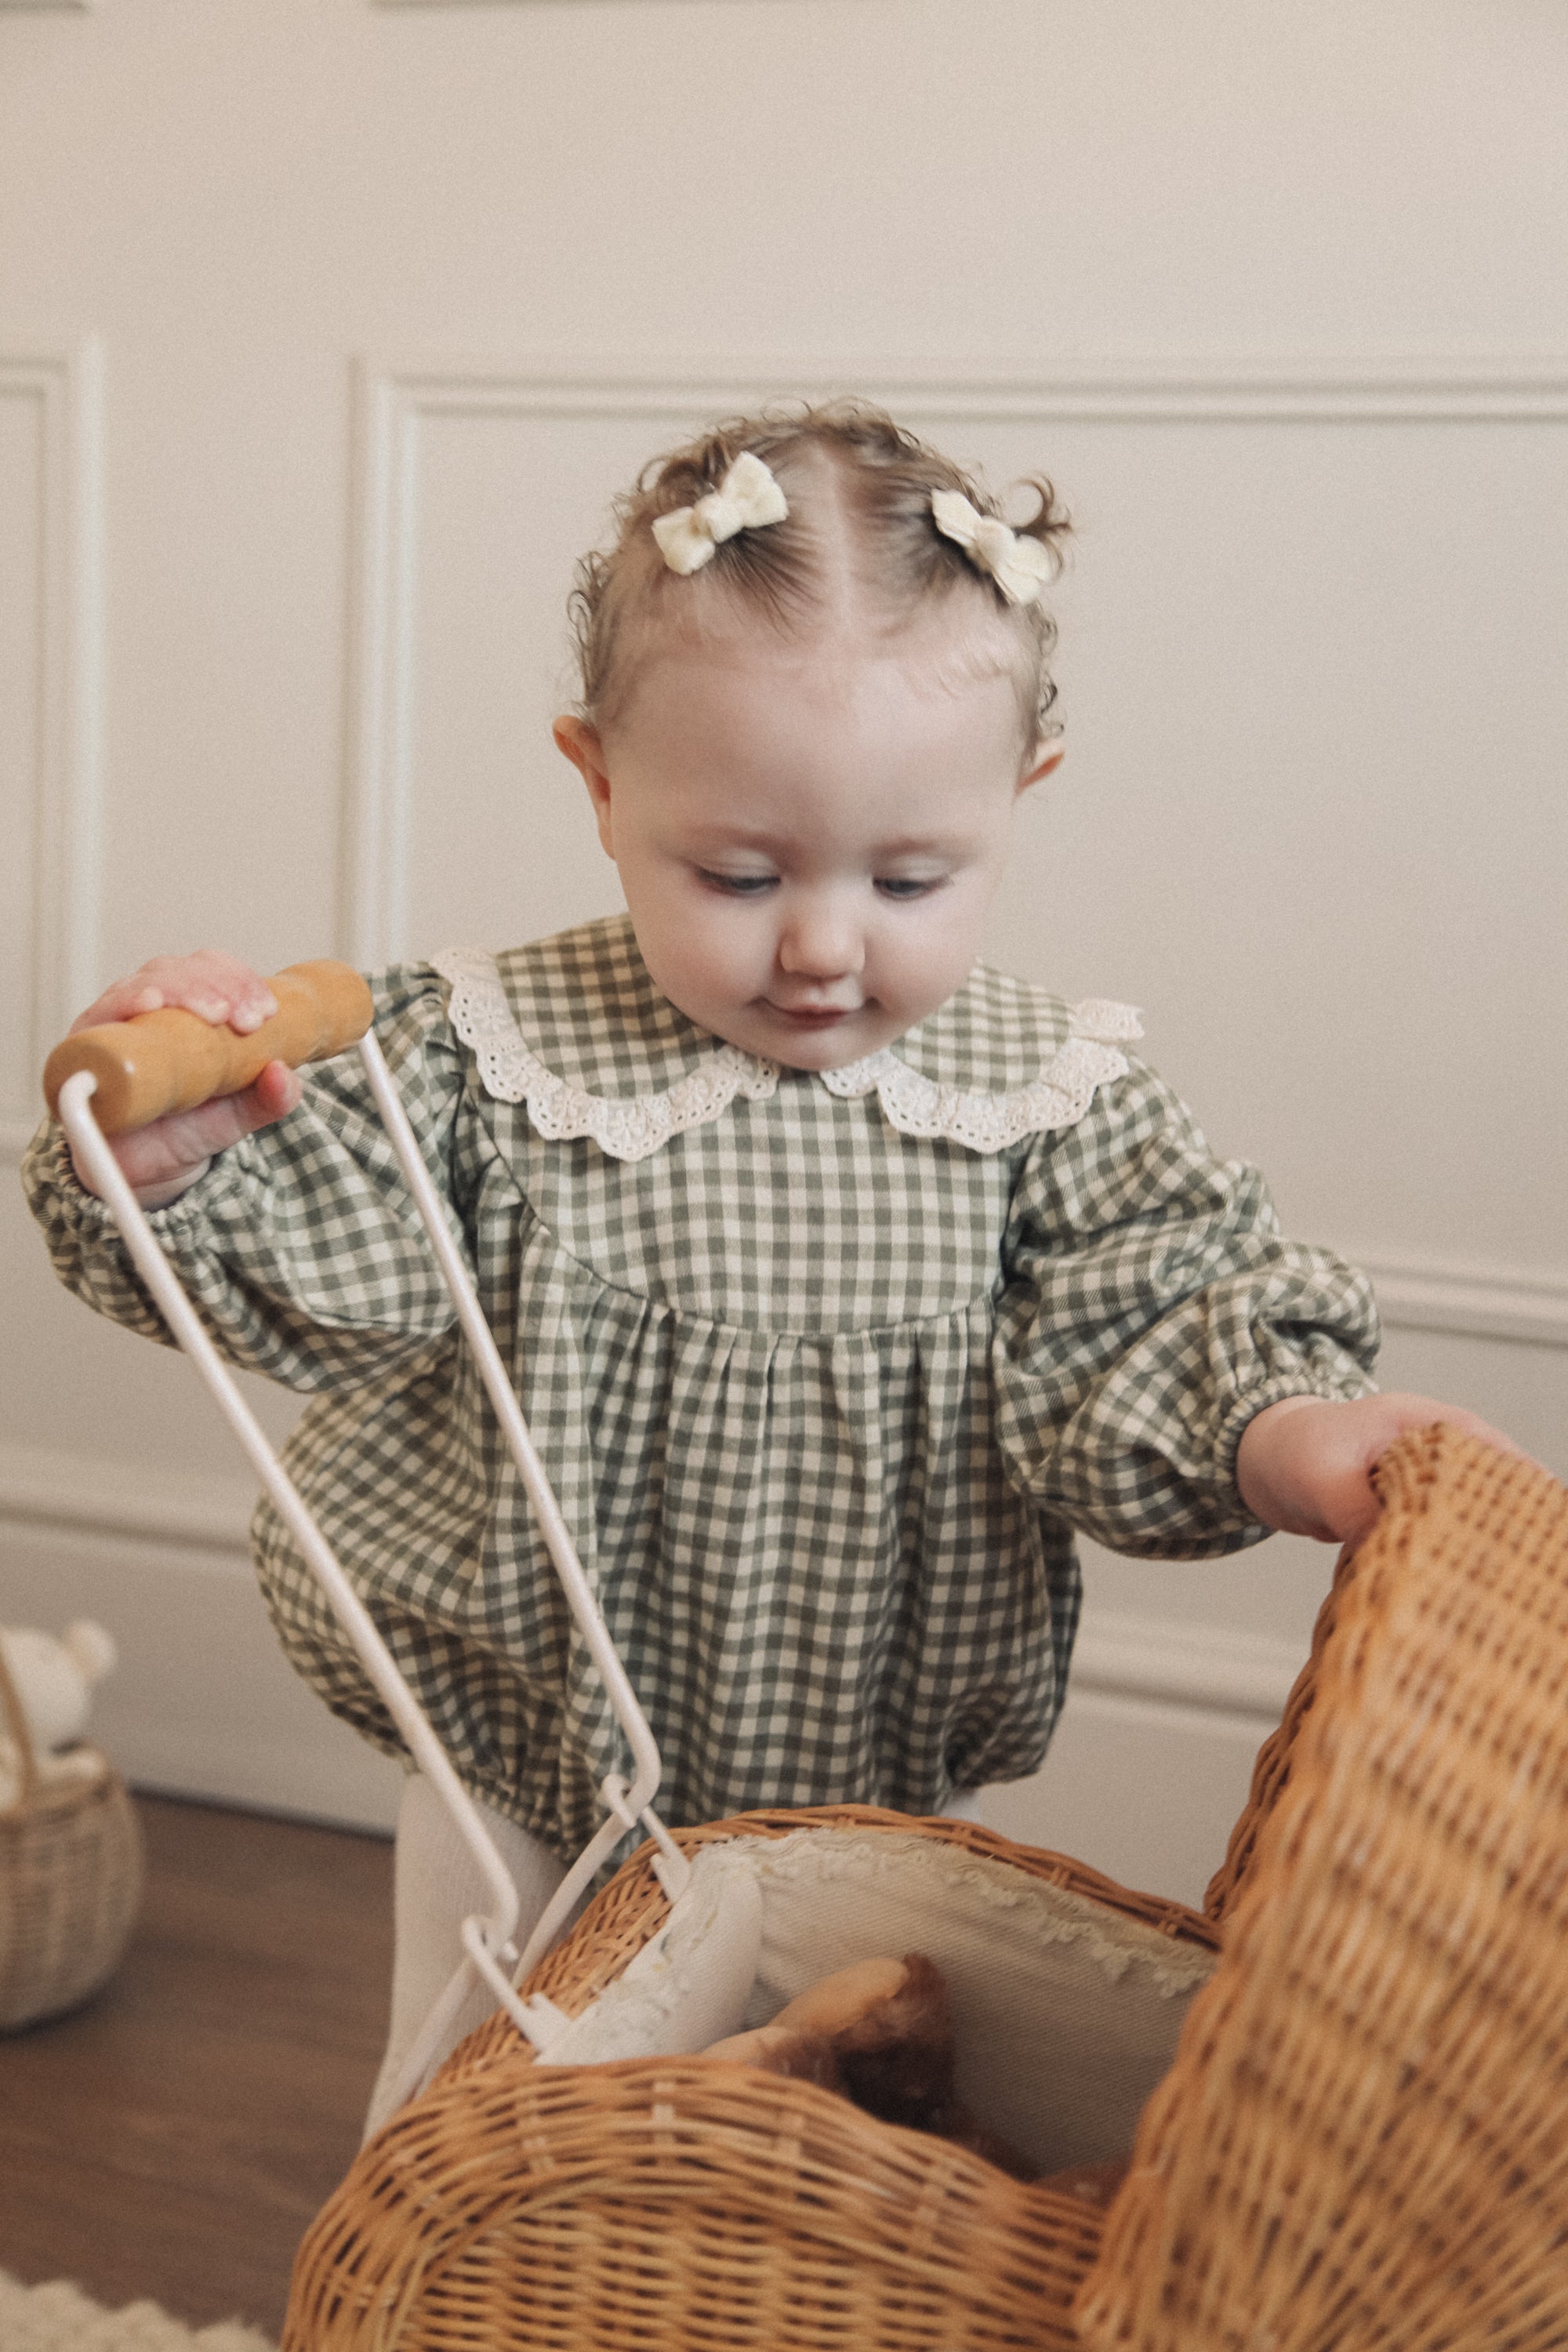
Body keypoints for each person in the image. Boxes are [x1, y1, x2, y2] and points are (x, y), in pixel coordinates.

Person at [22, 402, 1512, 2128]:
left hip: (871, 1767)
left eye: (909, 875)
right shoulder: (486, 1056)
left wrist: (1281, 1430)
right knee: (472, 2079)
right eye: (735, 870)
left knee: (842, 2092)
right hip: (522, 1733)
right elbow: (308, 1265)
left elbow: (1152, 1309)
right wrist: (184, 1148)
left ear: (1017, 800)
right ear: (597, 783)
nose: (819, 944)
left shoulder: (1041, 1101)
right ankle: (425, 2290)